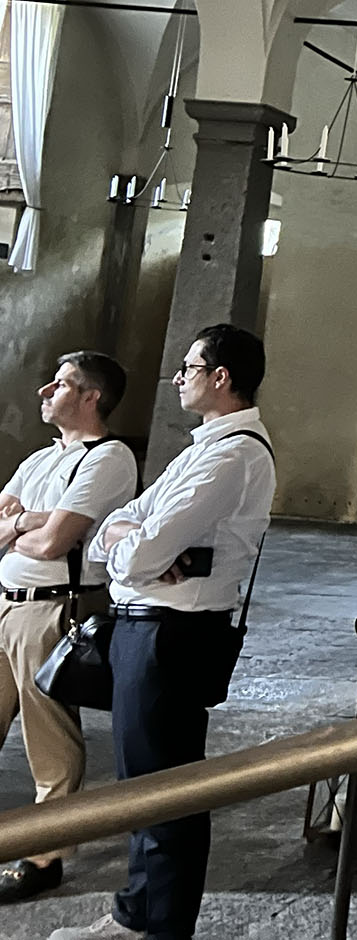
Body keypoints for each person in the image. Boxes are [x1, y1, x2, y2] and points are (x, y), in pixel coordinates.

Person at [52, 325, 277, 940]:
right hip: (146, 626)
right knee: (140, 782)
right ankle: (139, 911)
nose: (177, 378)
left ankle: (159, 924)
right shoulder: (204, 447)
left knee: (164, 788)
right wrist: (131, 542)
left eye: (189, 368)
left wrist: (133, 547)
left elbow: (138, 550)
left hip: (173, 634)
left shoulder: (234, 455)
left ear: (221, 377)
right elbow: (114, 530)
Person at [0, 354, 139, 905]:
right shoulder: (40, 458)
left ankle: (46, 854)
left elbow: (56, 542)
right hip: (4, 602)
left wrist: (20, 525)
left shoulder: (108, 457)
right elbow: (31, 529)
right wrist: (31, 521)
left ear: (90, 397)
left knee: (49, 736)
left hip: (51, 608)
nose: (45, 390)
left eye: (59, 384)